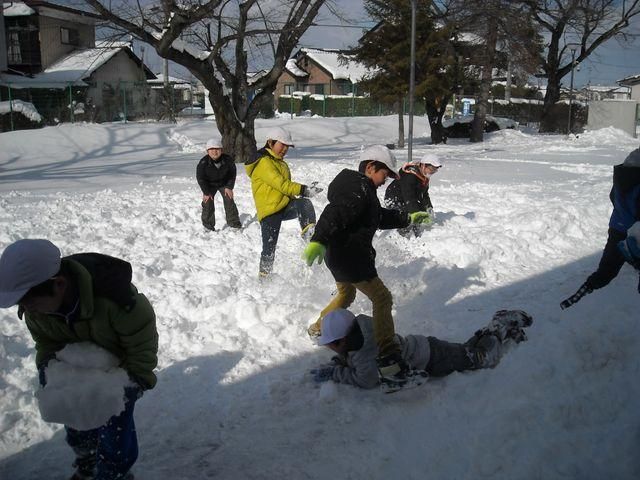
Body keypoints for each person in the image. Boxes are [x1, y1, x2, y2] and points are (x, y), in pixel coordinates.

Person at [0, 239, 159, 480]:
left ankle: (113, 474)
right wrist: (47, 367)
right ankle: (87, 464)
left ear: (59, 285)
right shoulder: (36, 310)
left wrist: (135, 380)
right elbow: (46, 343)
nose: (27, 311)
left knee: (115, 436)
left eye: (30, 302)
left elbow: (141, 342)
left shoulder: (117, 301)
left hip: (115, 379)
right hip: (74, 378)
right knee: (76, 426)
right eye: (22, 304)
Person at [302, 145, 433, 389]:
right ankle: (389, 356)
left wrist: (407, 217)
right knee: (382, 298)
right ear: (371, 167)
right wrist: (318, 239)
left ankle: (318, 328)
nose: (386, 181)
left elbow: (378, 217)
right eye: (385, 174)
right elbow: (335, 213)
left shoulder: (363, 190)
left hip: (339, 256)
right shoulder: (359, 189)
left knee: (346, 293)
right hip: (351, 258)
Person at [310, 308, 533, 391]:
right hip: (427, 346)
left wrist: (335, 373)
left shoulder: (365, 351)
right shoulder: (361, 331)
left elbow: (365, 379)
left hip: (433, 358)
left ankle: (499, 326)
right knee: (466, 352)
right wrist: (338, 363)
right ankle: (489, 333)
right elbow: (350, 358)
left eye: (331, 345)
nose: (330, 349)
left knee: (481, 359)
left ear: (342, 341)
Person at [561, 147, 640, 308]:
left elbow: (613, 196)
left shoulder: (626, 169)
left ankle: (588, 286)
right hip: (636, 232)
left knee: (608, 266)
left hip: (618, 226)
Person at [245, 126, 322, 278]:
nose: (285, 149)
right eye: (282, 145)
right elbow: (281, 184)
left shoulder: (280, 162)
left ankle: (310, 237)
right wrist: (304, 189)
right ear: (270, 142)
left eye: (287, 146)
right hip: (269, 211)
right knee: (269, 248)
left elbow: (284, 189)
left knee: (303, 204)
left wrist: (302, 193)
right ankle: (264, 277)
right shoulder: (264, 162)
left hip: (284, 206)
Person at [384, 153, 442, 237]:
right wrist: (415, 212)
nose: (433, 172)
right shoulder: (409, 175)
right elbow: (409, 195)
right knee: (406, 217)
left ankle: (417, 234)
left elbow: (424, 194)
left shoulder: (424, 176)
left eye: (435, 170)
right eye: (432, 169)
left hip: (407, 198)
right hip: (394, 198)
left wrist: (428, 207)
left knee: (419, 215)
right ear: (423, 165)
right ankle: (402, 236)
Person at [196, 138, 242, 231]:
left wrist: (229, 187)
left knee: (229, 199)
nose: (214, 152)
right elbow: (201, 178)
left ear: (221, 150)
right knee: (207, 202)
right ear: (207, 151)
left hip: (224, 183)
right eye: (211, 149)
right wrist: (206, 192)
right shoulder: (203, 162)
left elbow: (232, 173)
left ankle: (234, 224)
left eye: (217, 149)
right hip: (209, 185)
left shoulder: (228, 159)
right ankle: (208, 226)